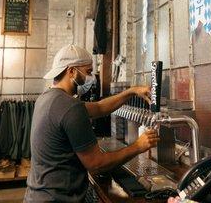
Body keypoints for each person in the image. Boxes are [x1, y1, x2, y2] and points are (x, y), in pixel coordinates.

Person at [24, 44, 159, 202]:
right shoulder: (70, 107)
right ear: (72, 71)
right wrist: (138, 146)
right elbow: (97, 164)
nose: (91, 78)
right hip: (57, 199)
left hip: (37, 195)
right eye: (88, 71)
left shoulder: (47, 98)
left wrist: (131, 91)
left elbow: (100, 107)